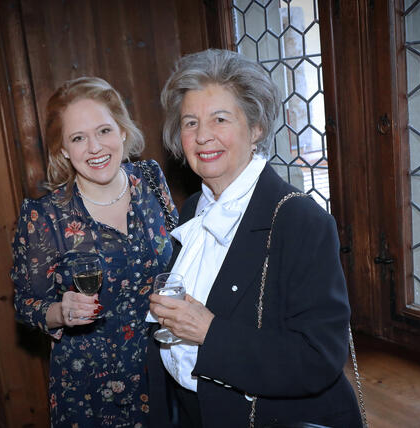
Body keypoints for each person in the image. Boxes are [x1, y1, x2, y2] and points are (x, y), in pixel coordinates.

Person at [147, 49, 362, 428]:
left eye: (220, 119)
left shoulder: (300, 221)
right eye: (190, 122)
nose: (202, 137)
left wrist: (208, 331)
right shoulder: (193, 208)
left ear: (256, 127)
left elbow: (318, 358)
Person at [10, 77, 178, 427]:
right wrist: (61, 310)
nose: (94, 147)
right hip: (90, 389)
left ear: (122, 132)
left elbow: (181, 255)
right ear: (63, 150)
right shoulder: (45, 216)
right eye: (78, 138)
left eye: (104, 130)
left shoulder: (150, 179)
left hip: (166, 369)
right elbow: (25, 304)